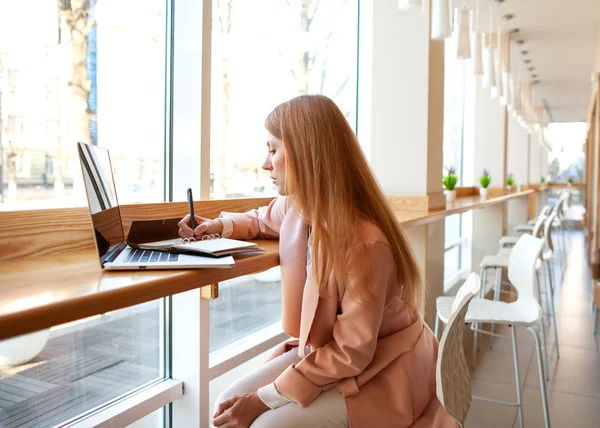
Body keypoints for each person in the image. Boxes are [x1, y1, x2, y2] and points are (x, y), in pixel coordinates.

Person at [178, 95, 456, 428]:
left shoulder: (364, 243)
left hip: (384, 371)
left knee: (265, 424)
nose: (265, 164)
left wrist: (261, 400)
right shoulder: (300, 207)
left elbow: (351, 353)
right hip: (333, 355)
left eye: (273, 150)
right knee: (225, 405)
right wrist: (217, 226)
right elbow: (261, 218)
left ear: (305, 155)